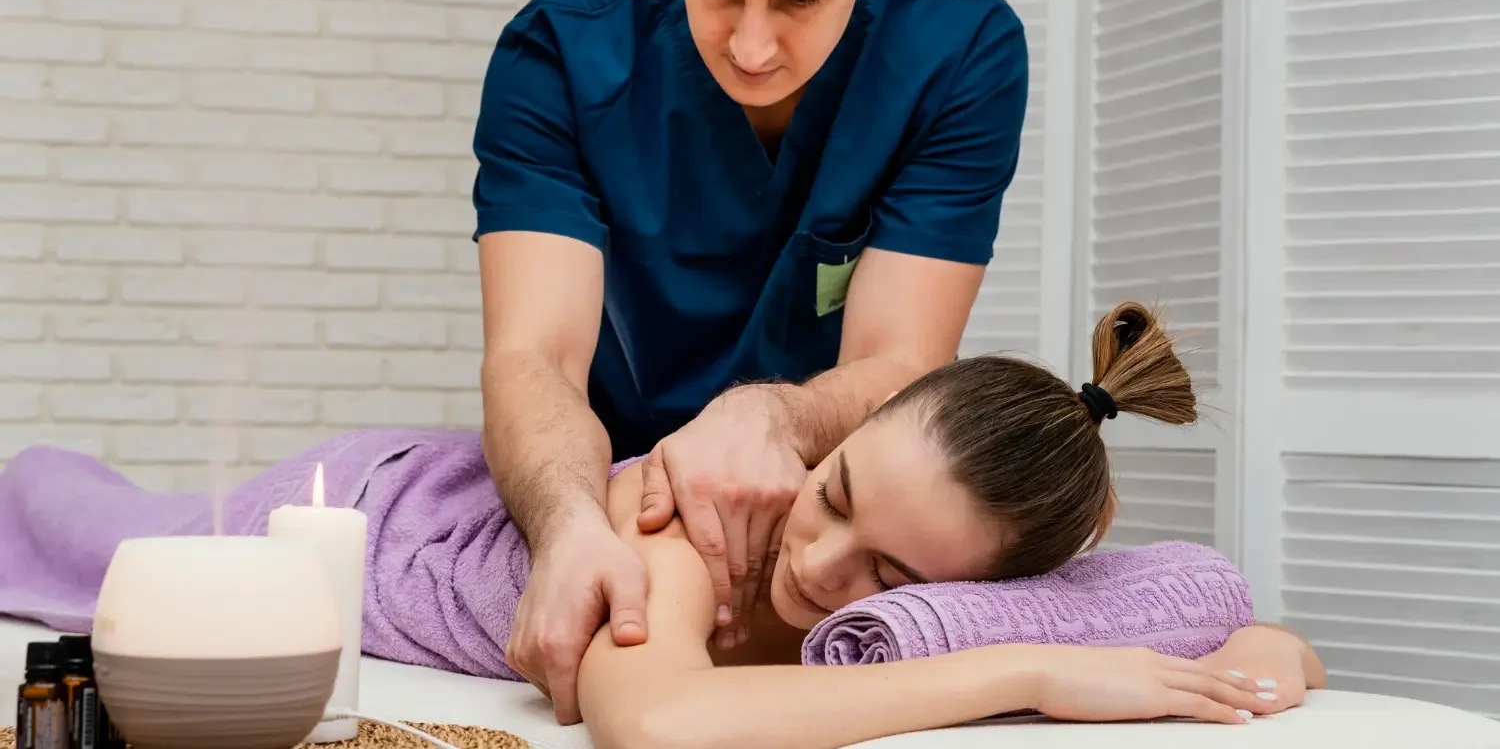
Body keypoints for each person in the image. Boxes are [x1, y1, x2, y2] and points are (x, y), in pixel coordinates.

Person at [0, 303, 1325, 747]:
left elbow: (1238, 634)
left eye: (886, 569)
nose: (813, 557)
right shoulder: (702, 528)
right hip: (376, 513)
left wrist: (1259, 656)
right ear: (835, 438)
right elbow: (662, 723)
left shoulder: (982, 588)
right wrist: (1027, 670)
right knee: (77, 535)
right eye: (835, 492)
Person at [471, 0, 1030, 721]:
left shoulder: (959, 51)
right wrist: (566, 526)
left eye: (800, 1)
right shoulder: (566, 40)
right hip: (612, 482)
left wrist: (773, 418)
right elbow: (536, 356)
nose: (751, 47)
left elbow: (901, 359)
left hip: (819, 502)